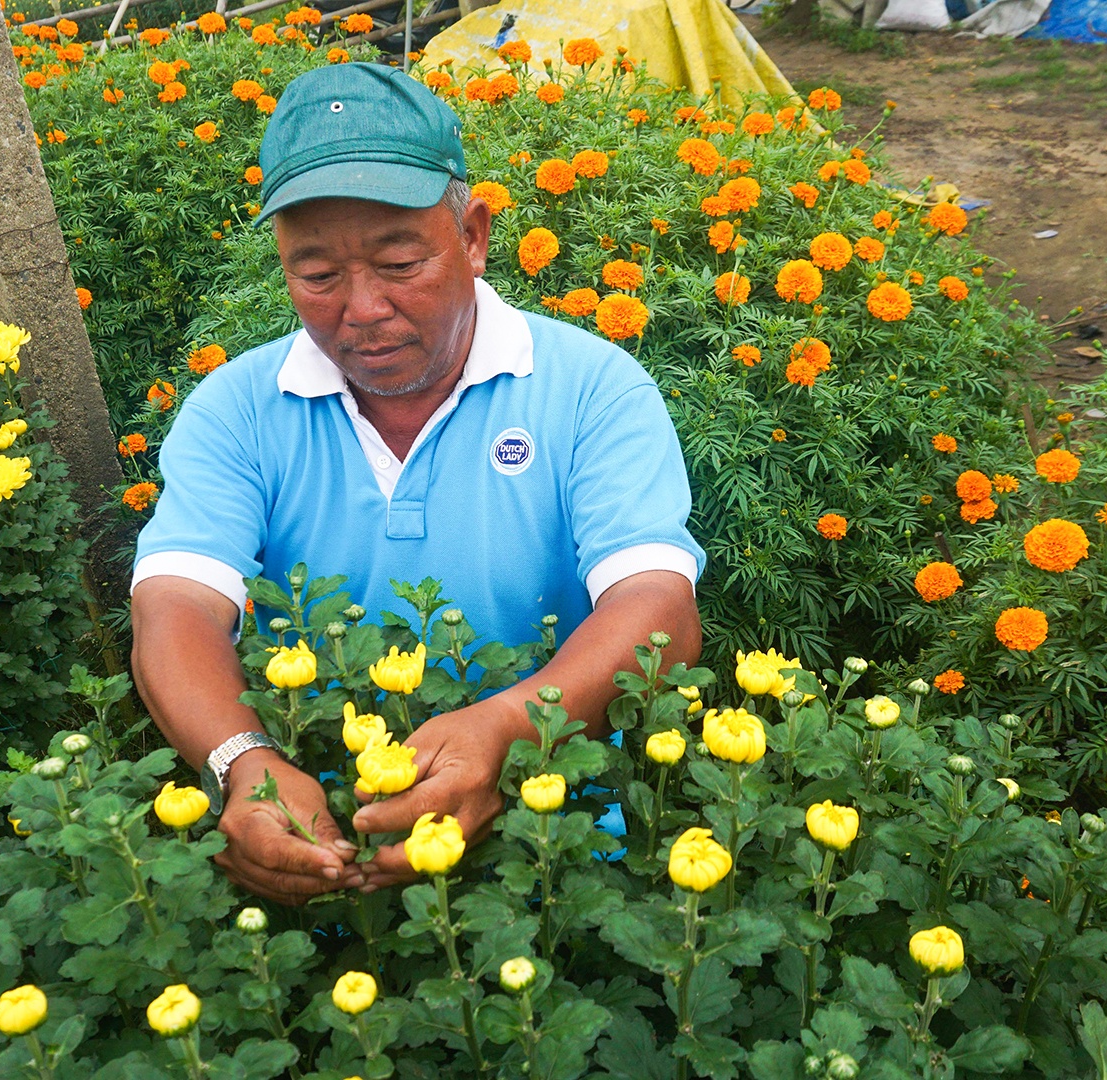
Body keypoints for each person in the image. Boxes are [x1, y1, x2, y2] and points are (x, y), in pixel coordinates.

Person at [129, 63, 704, 906]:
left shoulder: (590, 387)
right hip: (320, 845)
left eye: (400, 260)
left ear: (472, 235)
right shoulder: (240, 409)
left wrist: (510, 733)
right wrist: (243, 764)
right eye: (317, 275)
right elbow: (173, 607)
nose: (361, 309)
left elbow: (659, 609)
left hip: (555, 849)